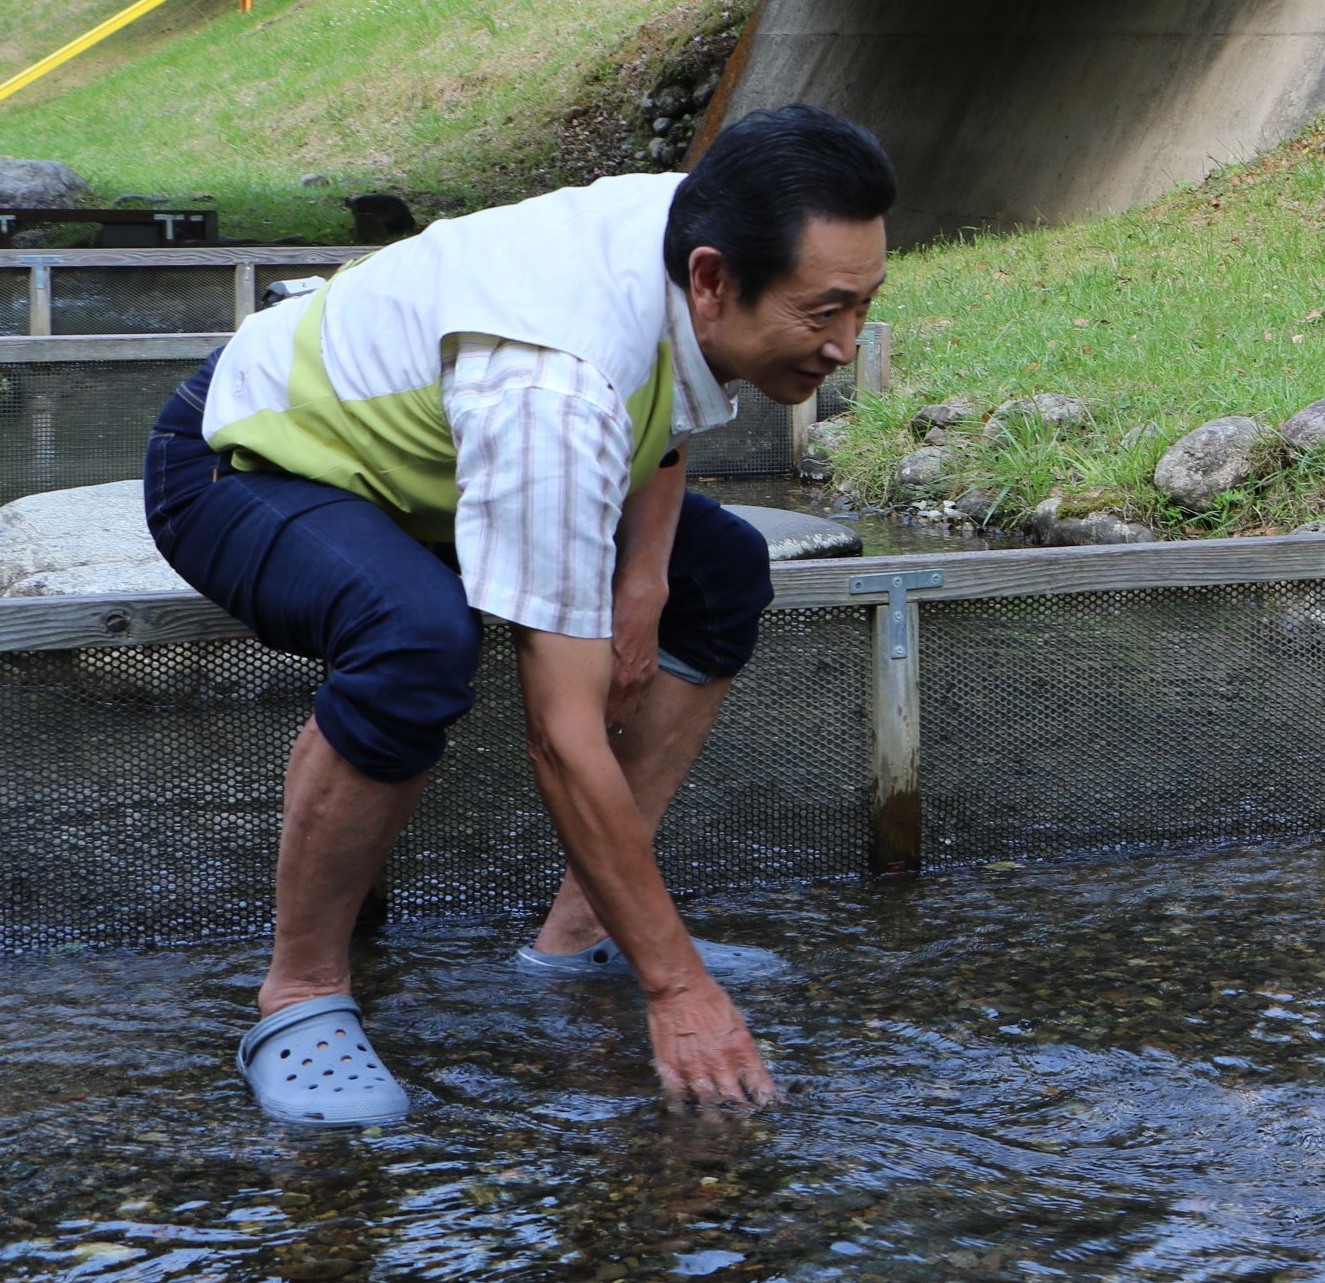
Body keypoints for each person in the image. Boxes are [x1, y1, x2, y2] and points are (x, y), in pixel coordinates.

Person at [142, 104, 896, 1126]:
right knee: (416, 639)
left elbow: (662, 407)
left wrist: (645, 579)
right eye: (825, 312)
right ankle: (301, 995)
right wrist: (681, 991)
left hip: (435, 470)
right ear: (714, 279)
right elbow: (560, 735)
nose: (848, 345)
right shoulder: (551, 383)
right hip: (247, 462)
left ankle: (582, 932)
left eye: (863, 306)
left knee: (725, 574)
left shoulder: (684, 225)